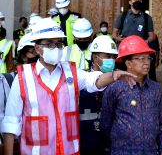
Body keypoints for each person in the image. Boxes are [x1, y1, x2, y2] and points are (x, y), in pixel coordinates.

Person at [0, 17, 136, 155]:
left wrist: (113, 75)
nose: (57, 48)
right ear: (38, 48)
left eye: (59, 44)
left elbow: (93, 80)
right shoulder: (23, 77)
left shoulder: (71, 72)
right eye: (50, 44)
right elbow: (11, 123)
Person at [100, 35, 162, 154]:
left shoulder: (155, 89)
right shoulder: (115, 88)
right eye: (141, 58)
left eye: (148, 58)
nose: (146, 63)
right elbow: (106, 123)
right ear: (128, 63)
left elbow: (160, 122)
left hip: (150, 151)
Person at [79, 35, 118, 154]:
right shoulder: (81, 80)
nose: (111, 60)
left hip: (109, 144)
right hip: (84, 143)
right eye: (107, 56)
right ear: (94, 58)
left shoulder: (118, 82)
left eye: (113, 57)